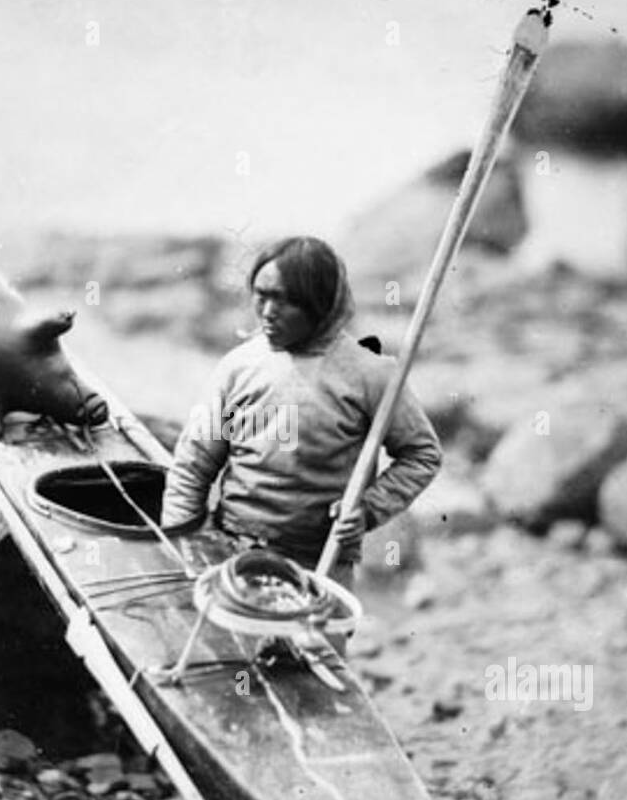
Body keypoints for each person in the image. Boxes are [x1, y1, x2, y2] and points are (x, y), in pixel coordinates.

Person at [160, 236, 441, 593]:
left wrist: (367, 510)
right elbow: (194, 463)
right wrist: (183, 543)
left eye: (284, 300)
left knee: (312, 647)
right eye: (260, 295)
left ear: (319, 305)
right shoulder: (241, 367)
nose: (266, 311)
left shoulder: (371, 375)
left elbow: (422, 454)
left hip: (321, 561)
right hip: (235, 553)